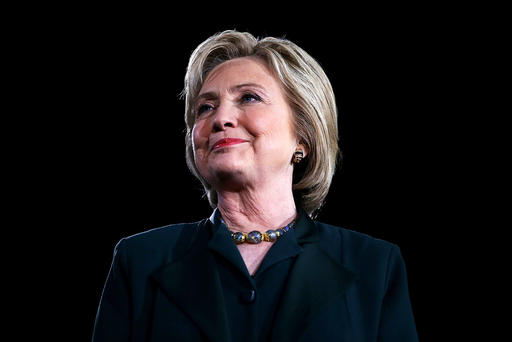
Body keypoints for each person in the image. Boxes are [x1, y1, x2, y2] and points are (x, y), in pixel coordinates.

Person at [92, 30, 419, 342]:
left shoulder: (375, 266)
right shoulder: (139, 260)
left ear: (302, 135)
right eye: (205, 107)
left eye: (248, 97)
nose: (221, 118)